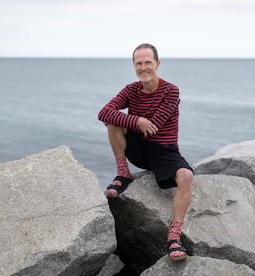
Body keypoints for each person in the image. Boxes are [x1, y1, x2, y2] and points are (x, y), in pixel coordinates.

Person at [97, 43, 193, 261]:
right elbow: (103, 112)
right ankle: (123, 173)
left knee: (186, 176)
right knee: (111, 123)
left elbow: (154, 127)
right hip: (139, 148)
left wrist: (134, 122)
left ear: (157, 64)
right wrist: (136, 120)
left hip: (164, 151)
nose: (143, 67)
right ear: (134, 66)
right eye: (138, 63)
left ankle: (174, 235)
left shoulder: (171, 90)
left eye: (147, 62)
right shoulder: (131, 90)